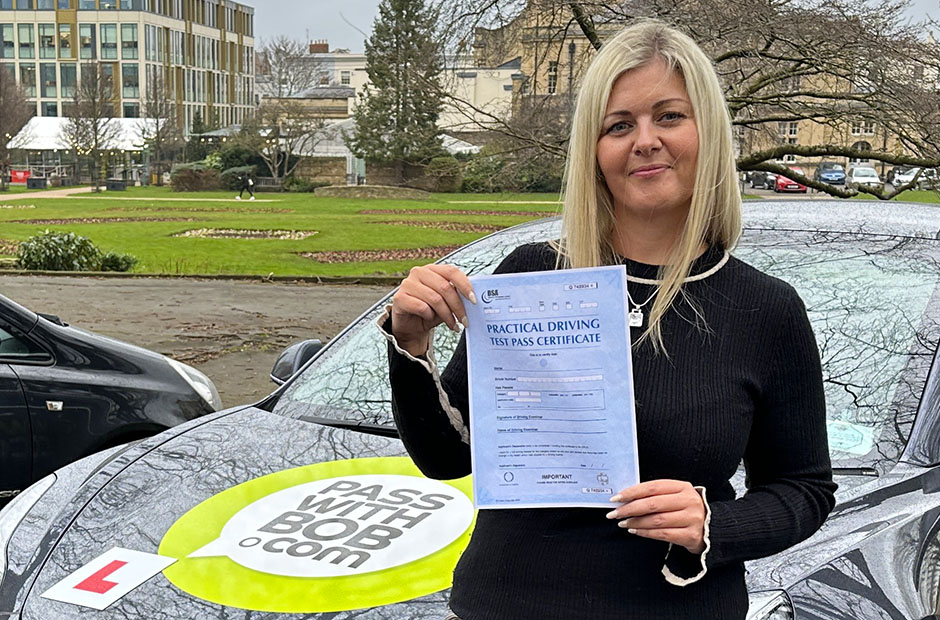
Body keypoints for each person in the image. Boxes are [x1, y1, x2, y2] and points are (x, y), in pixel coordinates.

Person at [379, 20, 835, 620]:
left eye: (669, 116)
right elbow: (448, 456)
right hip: (506, 603)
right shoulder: (531, 277)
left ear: (709, 133)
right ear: (595, 152)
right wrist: (410, 343)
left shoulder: (766, 309)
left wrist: (714, 524)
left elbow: (804, 488)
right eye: (619, 125)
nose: (644, 140)